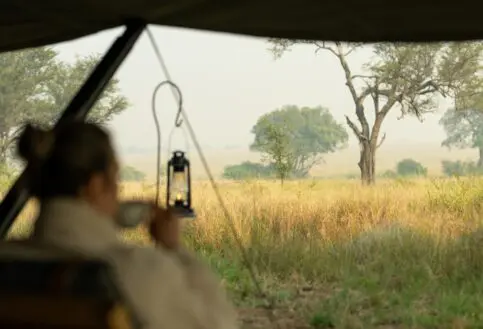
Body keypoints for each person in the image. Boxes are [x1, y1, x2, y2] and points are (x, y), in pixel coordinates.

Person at [16, 122, 238, 329]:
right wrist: (174, 248)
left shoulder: (10, 261)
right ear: (96, 185)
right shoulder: (137, 272)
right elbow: (220, 323)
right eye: (115, 177)